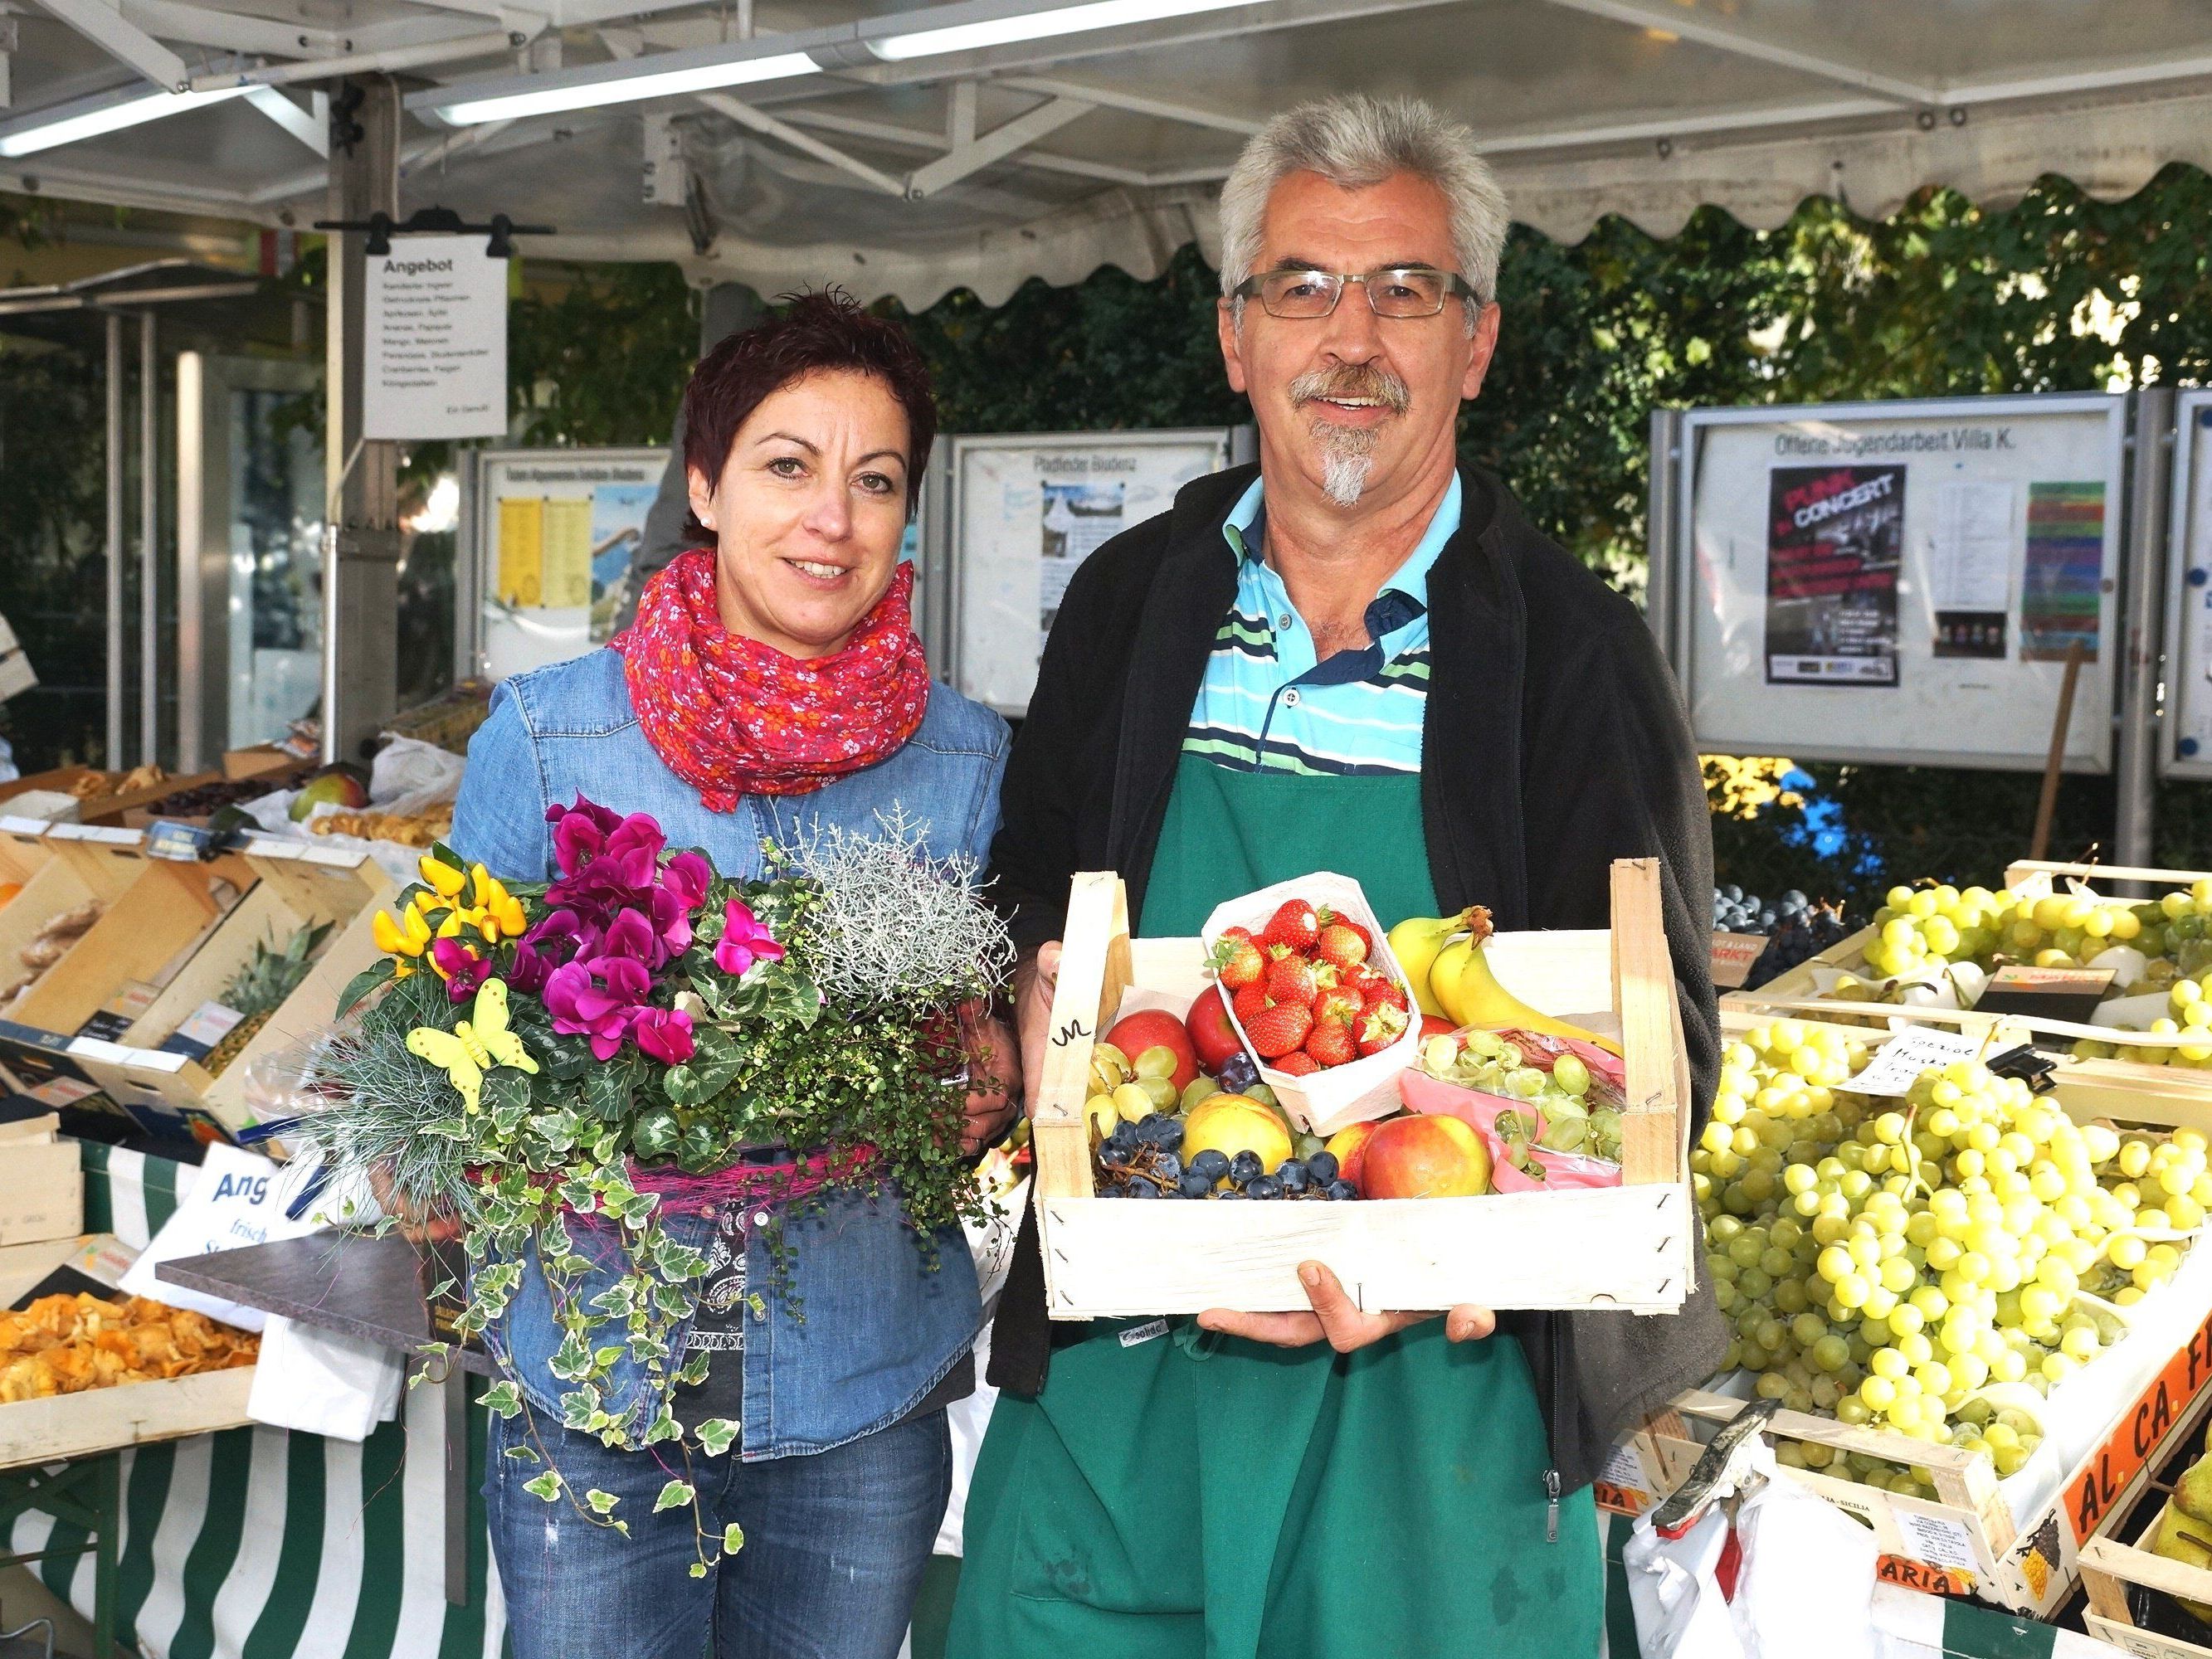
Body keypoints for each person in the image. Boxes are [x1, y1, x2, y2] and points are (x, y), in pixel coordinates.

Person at [949, 95, 1724, 1658]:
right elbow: (1022, 892)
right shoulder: (1129, 601)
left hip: (1440, 1399)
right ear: (1235, 336)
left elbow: (1667, 1046)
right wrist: (1025, 989)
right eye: (1301, 287)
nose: (1349, 337)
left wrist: (1428, 1240)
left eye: (1404, 290)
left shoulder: (1570, 650)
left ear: (1477, 341)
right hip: (1126, 1369)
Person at [451, 289, 1016, 1659]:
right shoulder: (547, 735)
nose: (832, 516)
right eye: (786, 465)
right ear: (703, 486)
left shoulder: (967, 759)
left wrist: (989, 1062)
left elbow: (994, 1031)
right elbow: (443, 1026)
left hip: (860, 1385)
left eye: (874, 480)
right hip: (592, 1390)